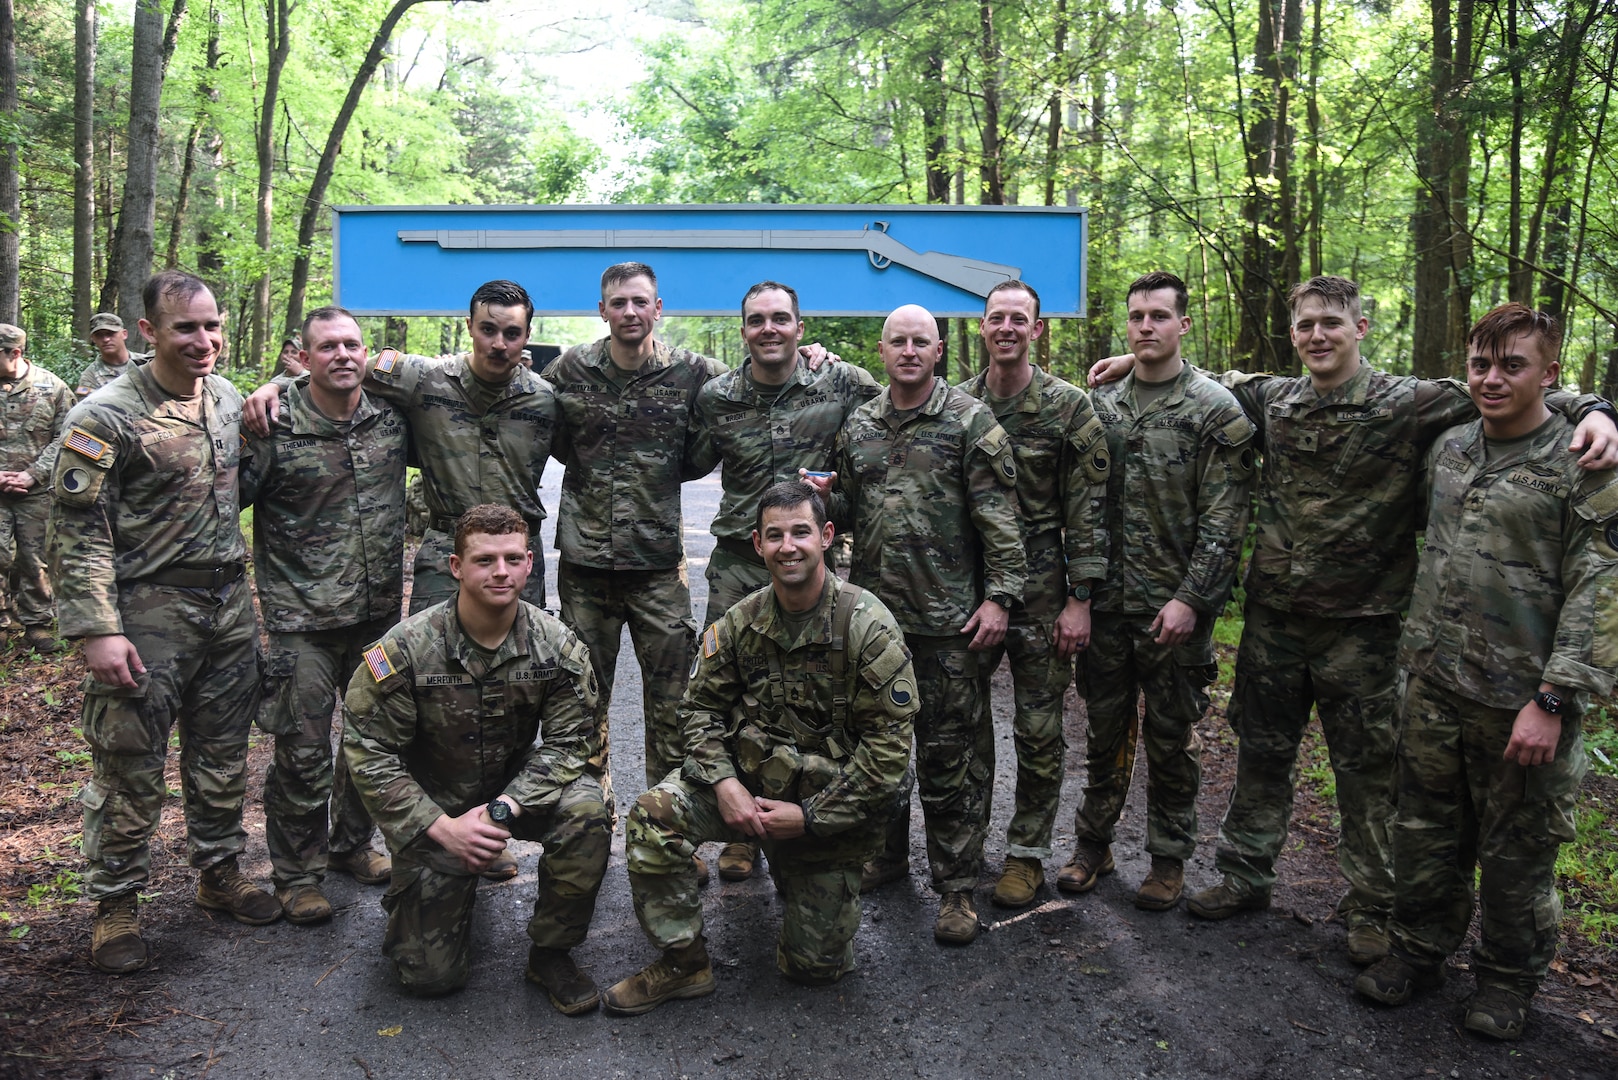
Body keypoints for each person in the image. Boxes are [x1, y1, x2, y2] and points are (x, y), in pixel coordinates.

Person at [1088, 275, 1618, 962]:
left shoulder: (1411, 403)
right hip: (1275, 621)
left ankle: (1371, 904)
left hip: (1363, 628)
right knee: (1261, 756)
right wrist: (1136, 359)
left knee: (1367, 775)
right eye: (1306, 324)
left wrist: (1598, 410)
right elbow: (1197, 375)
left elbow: (1518, 387)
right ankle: (1244, 876)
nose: (1317, 336)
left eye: (1331, 324)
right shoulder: (1274, 399)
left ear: (1360, 328)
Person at [1353, 304, 1617, 1040]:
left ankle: (1506, 980)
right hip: (1435, 684)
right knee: (1424, 832)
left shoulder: (1584, 463)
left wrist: (1555, 697)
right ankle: (1418, 950)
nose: (1492, 378)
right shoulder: (1450, 446)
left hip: (1523, 701)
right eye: (1481, 363)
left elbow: (1601, 587)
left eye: (1513, 365)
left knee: (1516, 851)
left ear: (1552, 375)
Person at [602, 481, 916, 1013]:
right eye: (775, 535)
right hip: (747, 792)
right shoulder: (742, 622)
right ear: (757, 544)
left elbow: (888, 760)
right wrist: (724, 785)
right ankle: (684, 963)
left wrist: (810, 817)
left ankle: (804, 878)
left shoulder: (867, 627)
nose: (788, 546)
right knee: (653, 815)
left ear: (828, 536)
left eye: (801, 532)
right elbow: (697, 710)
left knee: (814, 969)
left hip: (826, 810)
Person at [49, 270, 281, 976]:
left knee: (221, 756)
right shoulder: (104, 415)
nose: (204, 340)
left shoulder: (227, 398)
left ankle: (218, 873)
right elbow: (77, 530)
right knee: (129, 766)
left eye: (212, 326)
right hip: (146, 613)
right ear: (149, 331)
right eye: (186, 327)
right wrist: (96, 628)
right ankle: (115, 904)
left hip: (227, 607)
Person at [805, 303, 1025, 946]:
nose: (908, 350)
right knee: (879, 746)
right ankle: (889, 856)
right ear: (883, 351)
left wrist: (1001, 599)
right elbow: (848, 505)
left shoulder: (968, 420)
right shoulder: (862, 422)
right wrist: (821, 496)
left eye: (920, 341)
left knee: (949, 755)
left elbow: (1001, 520)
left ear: (937, 352)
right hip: (875, 621)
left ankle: (957, 889)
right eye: (898, 341)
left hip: (949, 623)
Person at [341, 505, 611, 1010]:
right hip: (436, 801)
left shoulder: (555, 645)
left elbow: (571, 742)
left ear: (530, 563)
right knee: (428, 978)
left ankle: (551, 954)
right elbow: (369, 749)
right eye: (485, 560)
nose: (501, 572)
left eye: (512, 558)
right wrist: (441, 828)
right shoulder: (406, 649)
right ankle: (436, 883)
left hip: (511, 789)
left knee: (587, 811)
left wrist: (501, 810)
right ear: (455, 567)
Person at [1058, 271, 1255, 912]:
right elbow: (1081, 506)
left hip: (1174, 610)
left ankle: (1169, 858)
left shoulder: (1212, 408)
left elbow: (1226, 521)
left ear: (1183, 325)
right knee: (1104, 734)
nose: (1146, 326)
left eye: (1159, 316)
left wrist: (1192, 599)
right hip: (1109, 608)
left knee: (1172, 741)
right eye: (1137, 316)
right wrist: (1080, 592)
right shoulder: (1103, 406)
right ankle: (1094, 845)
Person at [683, 280, 881, 881]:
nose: (768, 329)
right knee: (730, 691)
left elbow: (907, 404)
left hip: (809, 563)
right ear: (742, 330)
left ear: (800, 327)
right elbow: (682, 457)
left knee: (813, 693)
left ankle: (809, 813)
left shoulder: (841, 383)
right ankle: (739, 833)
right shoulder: (717, 397)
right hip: (740, 565)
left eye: (780, 319)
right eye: (756, 320)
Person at [239, 306, 407, 924]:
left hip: (377, 617)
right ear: (302, 357)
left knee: (371, 742)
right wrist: (270, 390)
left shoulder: (392, 420)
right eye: (327, 346)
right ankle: (297, 875)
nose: (342, 355)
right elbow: (223, 502)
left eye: (352, 345)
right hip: (300, 620)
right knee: (303, 752)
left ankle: (350, 847)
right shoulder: (272, 424)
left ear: (367, 354)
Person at [541, 263, 725, 797]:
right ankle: (589, 826)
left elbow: (762, 374)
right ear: (602, 310)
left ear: (658, 308)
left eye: (640, 302)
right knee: (580, 703)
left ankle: (664, 827)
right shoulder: (568, 371)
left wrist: (814, 356)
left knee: (672, 707)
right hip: (584, 567)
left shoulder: (694, 373)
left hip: (658, 569)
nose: (629, 312)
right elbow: (506, 390)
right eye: (618, 302)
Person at [956, 282, 1109, 908]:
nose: (1008, 328)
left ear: (1037, 330)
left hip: (1046, 590)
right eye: (997, 318)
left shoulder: (1069, 408)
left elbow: (1089, 511)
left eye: (1021, 319)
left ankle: (1026, 854)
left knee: (1039, 729)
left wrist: (1081, 599)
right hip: (976, 587)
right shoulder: (960, 404)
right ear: (983, 327)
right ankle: (963, 848)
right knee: (963, 728)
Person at [0, 323, 74, 652]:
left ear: (15, 353)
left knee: (35, 559)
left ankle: (37, 625)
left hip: (37, 493)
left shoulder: (53, 388)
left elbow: (70, 437)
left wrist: (34, 474)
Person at [75, 312, 143, 399]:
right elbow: (88, 409)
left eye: (110, 333)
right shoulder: (90, 377)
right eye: (99, 335)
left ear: (124, 334)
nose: (106, 339)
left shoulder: (146, 363)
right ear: (93, 339)